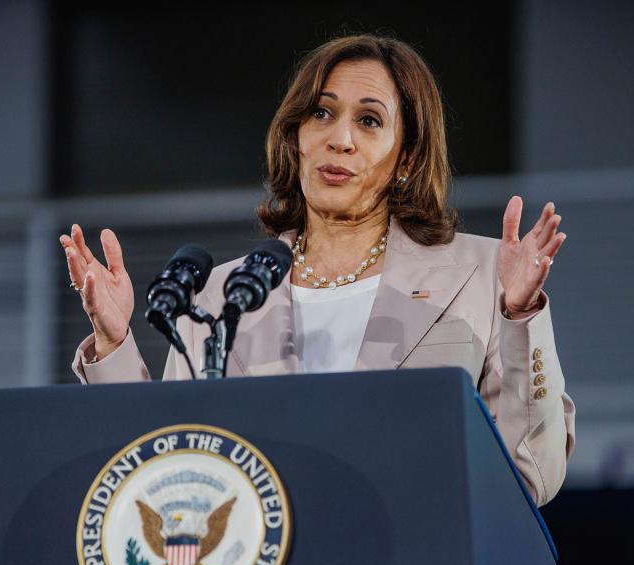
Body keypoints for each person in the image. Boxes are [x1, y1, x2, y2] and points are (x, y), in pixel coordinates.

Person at [59, 34, 576, 506]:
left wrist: (519, 313)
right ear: (295, 137)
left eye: (369, 121)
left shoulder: (483, 275)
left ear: (408, 158)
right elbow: (166, 469)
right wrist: (113, 344)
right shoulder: (221, 295)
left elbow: (535, 474)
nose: (340, 139)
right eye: (322, 114)